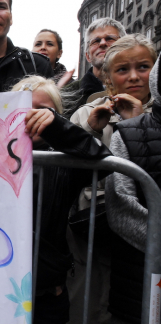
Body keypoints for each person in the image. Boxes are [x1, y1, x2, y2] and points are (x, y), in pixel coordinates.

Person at [67, 34, 155, 324]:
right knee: (91, 303)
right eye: (121, 70)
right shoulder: (86, 113)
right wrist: (90, 131)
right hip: (93, 232)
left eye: (143, 67)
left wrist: (137, 124)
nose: (133, 77)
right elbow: (66, 171)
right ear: (107, 78)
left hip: (142, 237)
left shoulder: (158, 116)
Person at [15, 76, 112, 324]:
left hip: (46, 293)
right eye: (23, 108)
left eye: (43, 111)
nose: (32, 116)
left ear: (57, 116)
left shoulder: (63, 163)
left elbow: (102, 161)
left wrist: (59, 129)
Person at [66, 18, 127, 111]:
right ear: (88, 56)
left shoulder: (139, 87)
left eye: (110, 38)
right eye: (96, 41)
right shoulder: (68, 94)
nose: (102, 43)